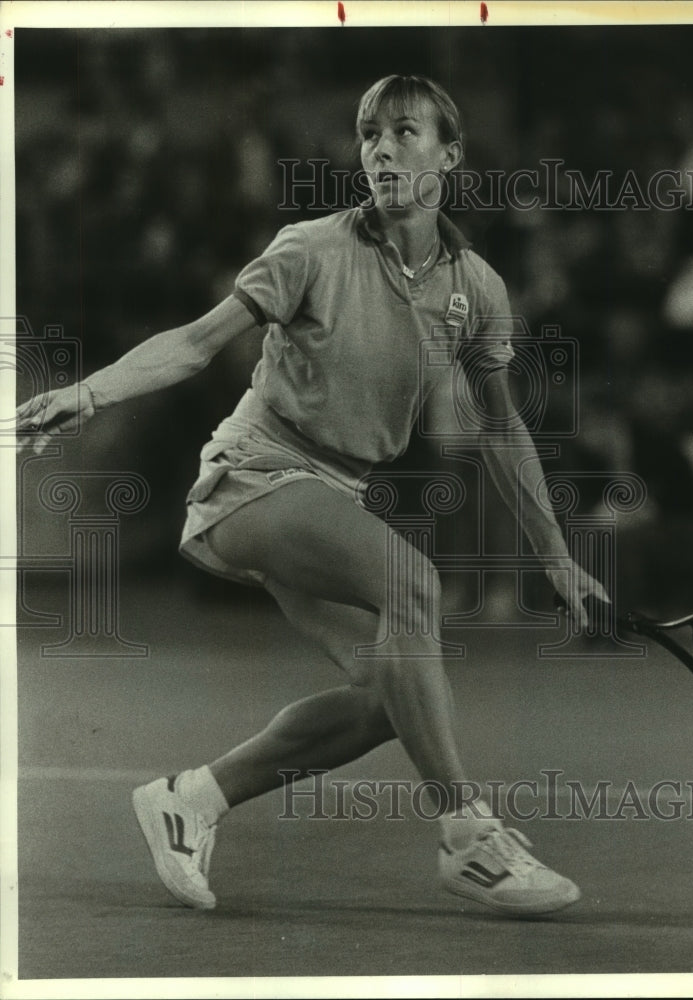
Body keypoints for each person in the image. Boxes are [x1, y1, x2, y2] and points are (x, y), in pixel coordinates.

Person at [17, 75, 608, 917]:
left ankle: (192, 798)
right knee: (414, 587)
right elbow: (195, 343)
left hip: (332, 491)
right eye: (370, 134)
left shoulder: (475, 288)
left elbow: (503, 429)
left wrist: (557, 558)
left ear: (451, 153)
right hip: (252, 476)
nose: (381, 148)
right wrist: (90, 393)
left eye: (405, 131)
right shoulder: (311, 249)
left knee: (389, 697)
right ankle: (470, 839)